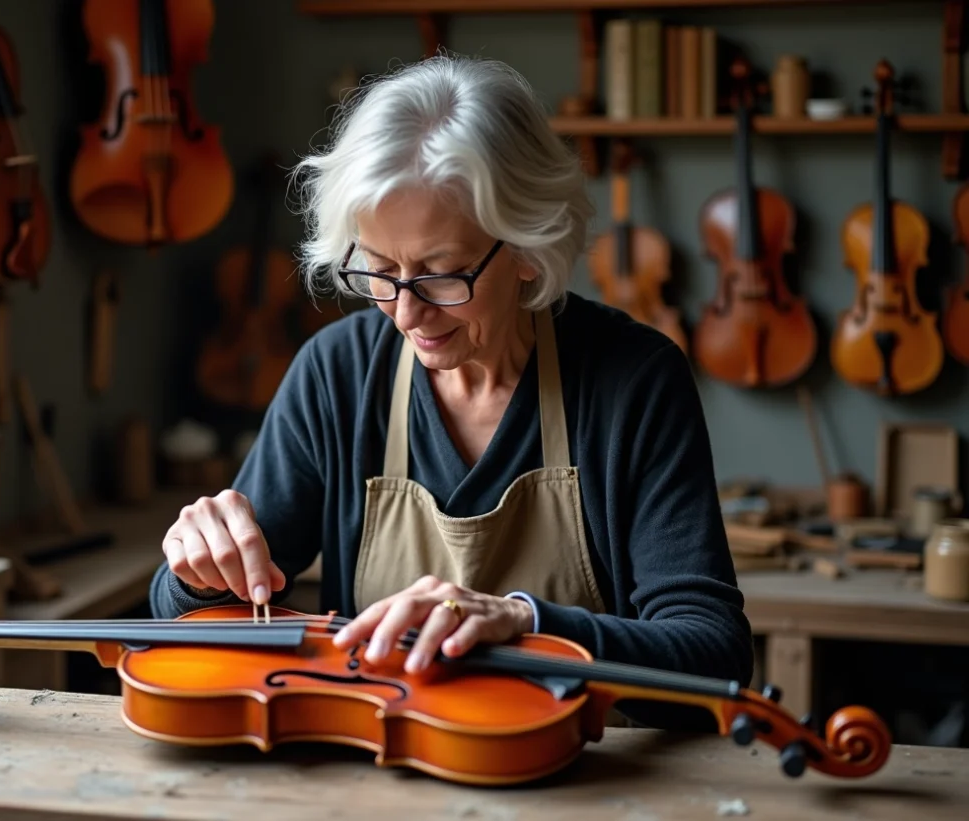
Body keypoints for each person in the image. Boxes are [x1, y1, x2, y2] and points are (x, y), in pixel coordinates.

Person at [151, 53, 753, 729]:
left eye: (441, 275)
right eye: (379, 271)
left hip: (587, 778)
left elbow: (713, 652)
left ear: (528, 246)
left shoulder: (634, 381)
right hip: (384, 767)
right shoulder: (337, 375)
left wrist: (524, 623)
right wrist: (196, 573)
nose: (406, 314)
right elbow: (198, 621)